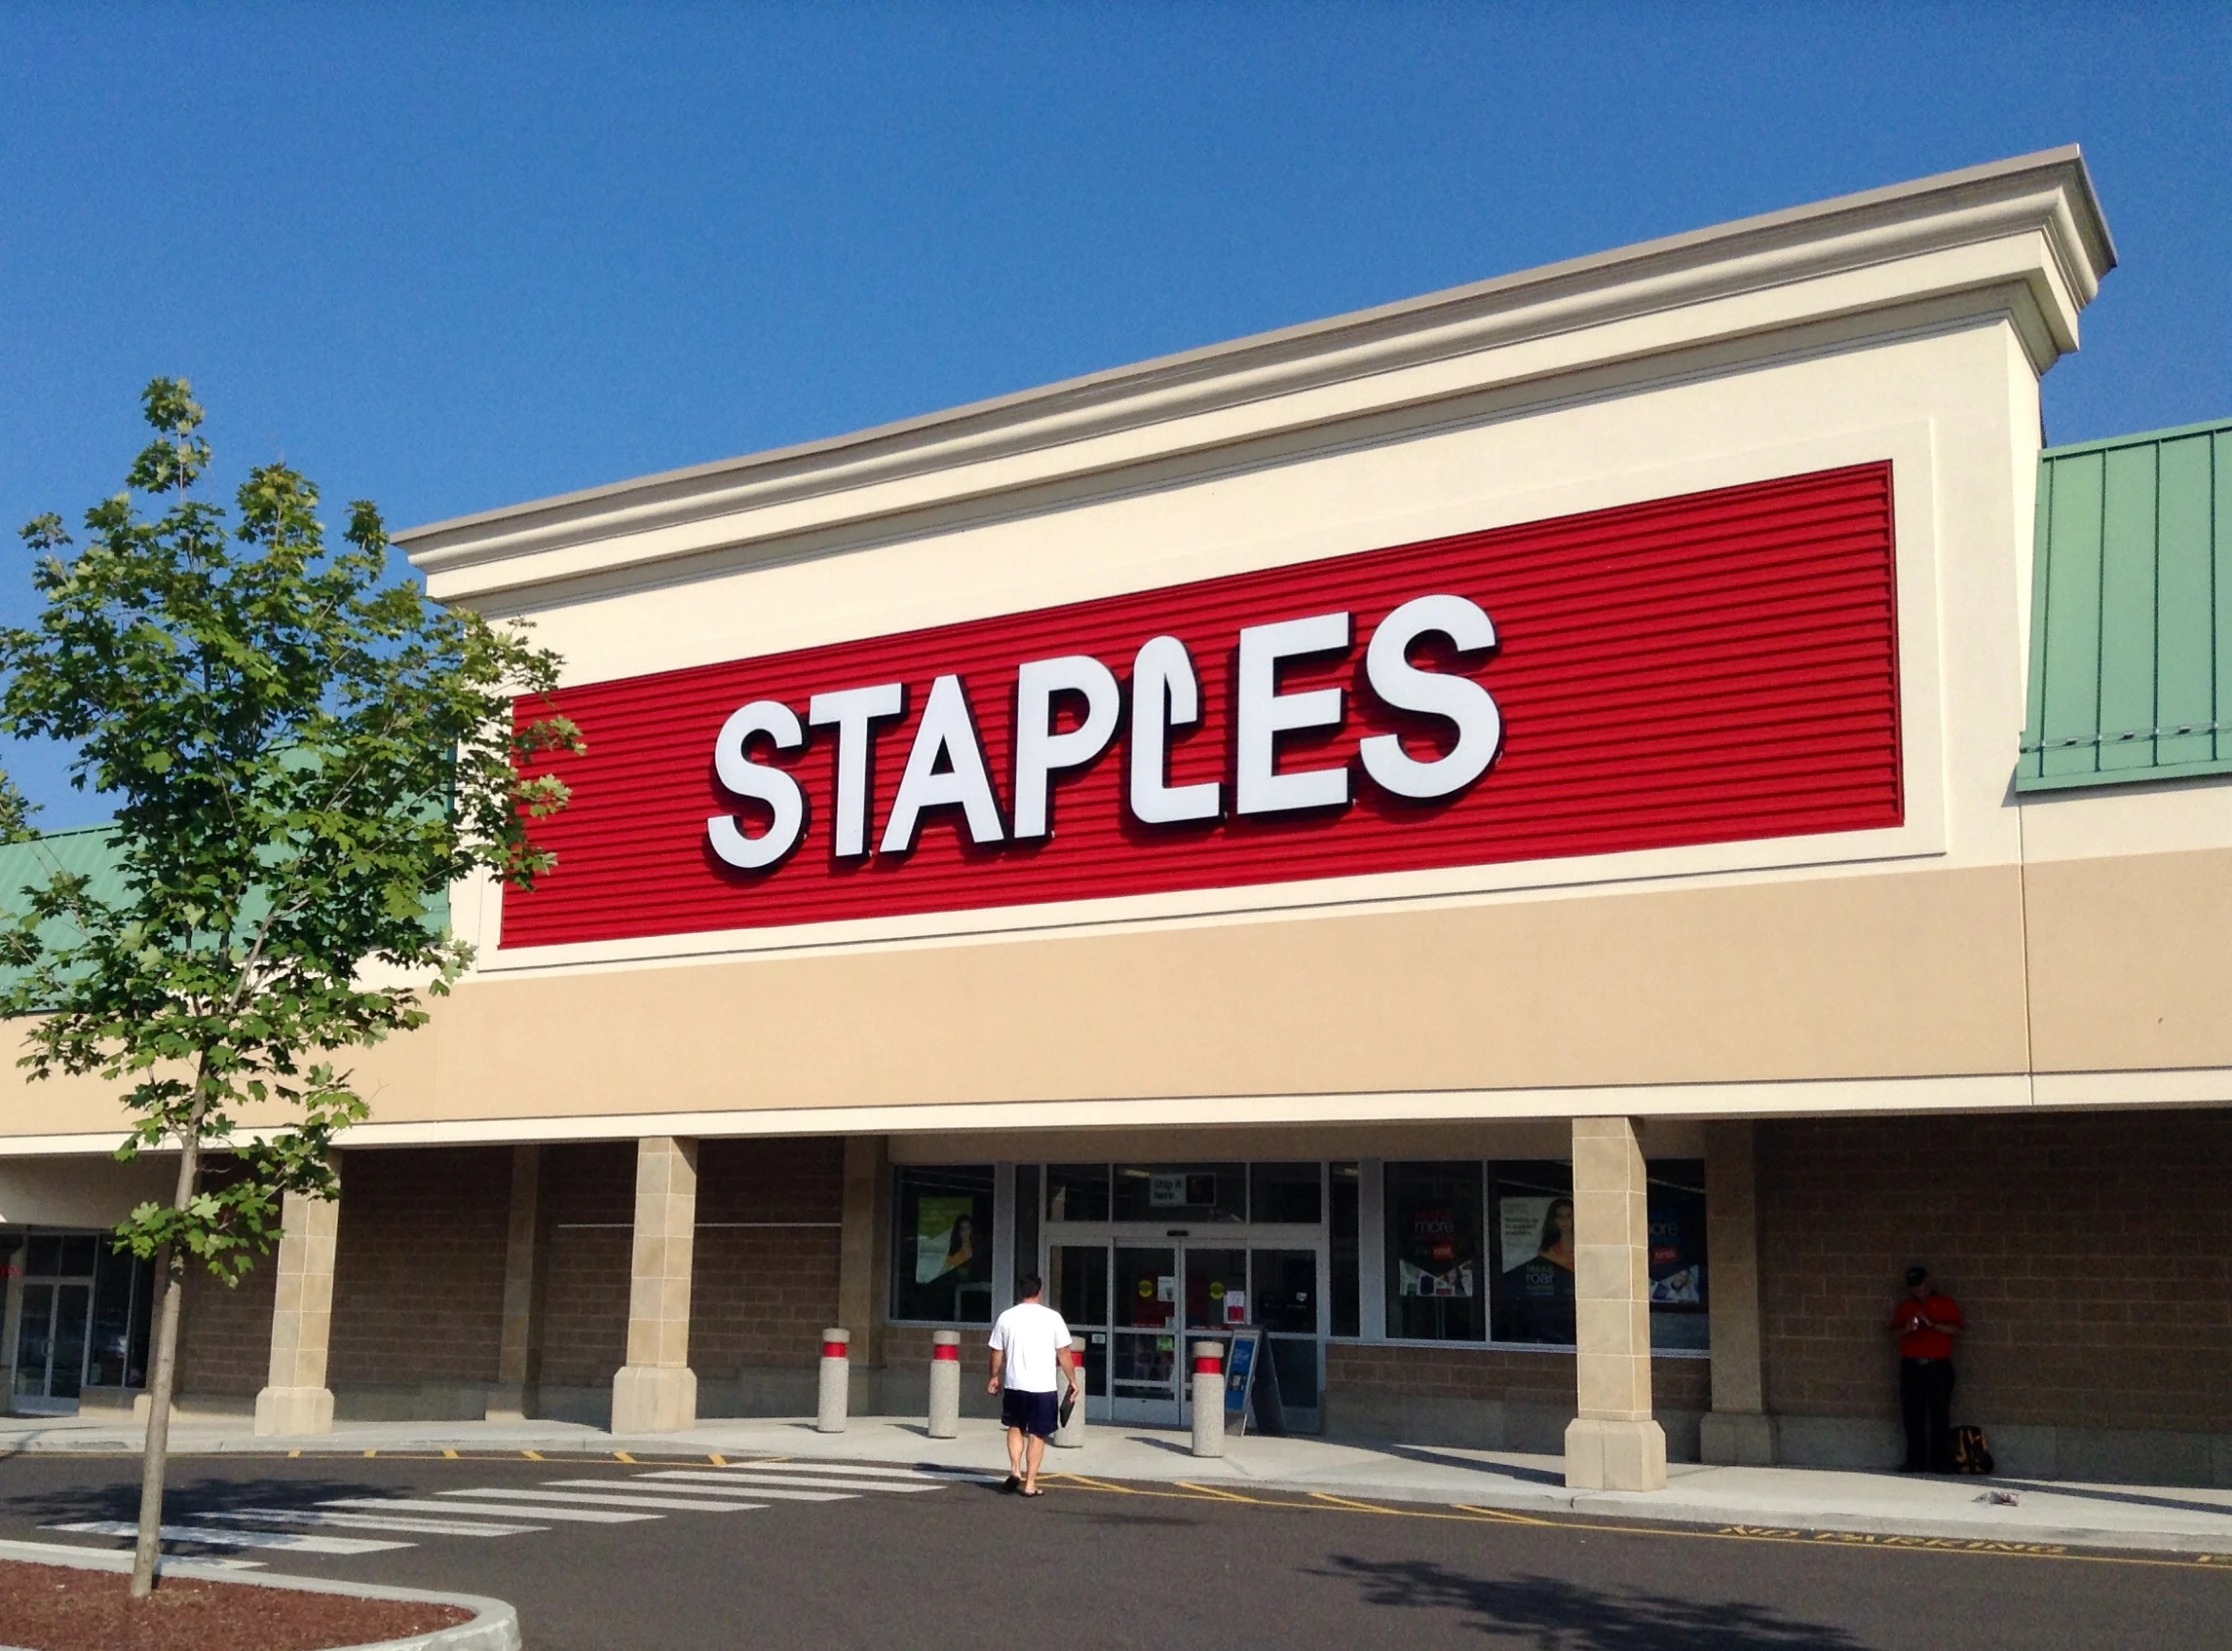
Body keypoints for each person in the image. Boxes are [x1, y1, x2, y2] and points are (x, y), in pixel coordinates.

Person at [987, 1273, 1083, 1498]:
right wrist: (1072, 1380)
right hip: (1043, 1387)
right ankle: (1029, 1483)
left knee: (1014, 1426)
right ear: (1040, 1291)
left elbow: (997, 1351)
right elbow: (1064, 1353)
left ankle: (1014, 1469)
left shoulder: (1006, 1317)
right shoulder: (1052, 1318)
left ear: (1020, 1292)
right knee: (1038, 1434)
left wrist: (994, 1376)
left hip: (1014, 1384)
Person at [1889, 1264, 1965, 1472]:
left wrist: (1932, 1325)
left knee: (1939, 1415)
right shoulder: (1905, 1307)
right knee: (1913, 1415)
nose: (1918, 1290)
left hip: (1937, 1366)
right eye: (1913, 1286)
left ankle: (1939, 1461)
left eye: (1920, 1284)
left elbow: (1957, 1330)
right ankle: (1915, 1460)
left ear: (1928, 1282)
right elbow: (1892, 1334)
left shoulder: (1945, 1303)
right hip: (1912, 1366)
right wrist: (1907, 1328)